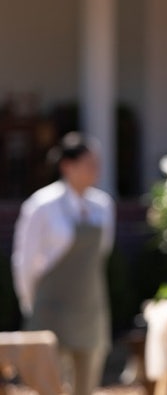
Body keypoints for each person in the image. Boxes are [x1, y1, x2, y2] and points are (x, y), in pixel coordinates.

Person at [11, 132, 115, 395]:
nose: (95, 170)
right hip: (51, 309)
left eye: (97, 164)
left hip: (89, 308)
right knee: (50, 384)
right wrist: (30, 302)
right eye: (88, 164)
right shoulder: (42, 205)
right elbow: (24, 261)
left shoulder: (102, 205)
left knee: (86, 384)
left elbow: (103, 252)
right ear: (67, 166)